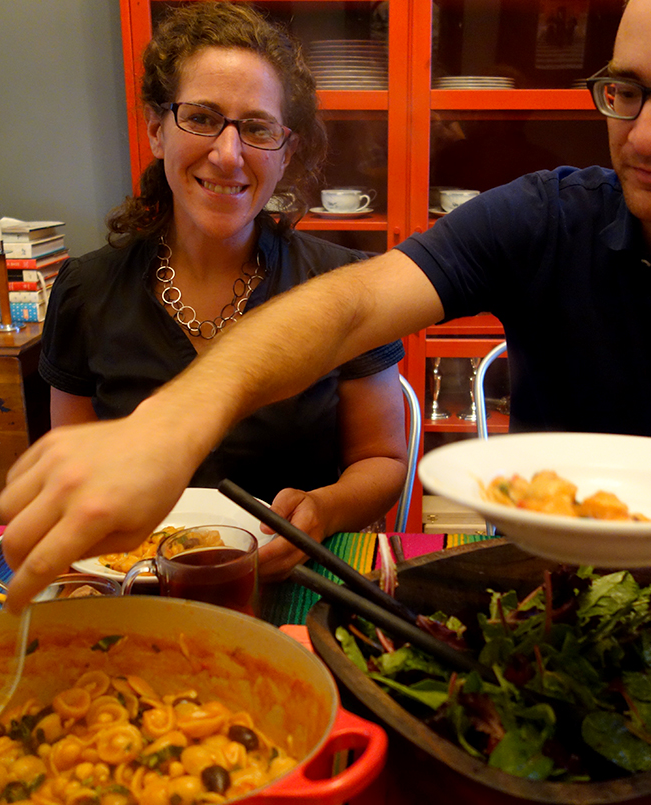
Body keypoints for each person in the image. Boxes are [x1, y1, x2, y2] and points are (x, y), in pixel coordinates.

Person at [0, 0, 651, 612]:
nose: (640, 135)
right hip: (537, 592)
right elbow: (352, 304)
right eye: (623, 91)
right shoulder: (541, 216)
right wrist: (176, 419)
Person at [36, 2, 409, 580]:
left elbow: (381, 460)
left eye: (257, 128)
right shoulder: (86, 289)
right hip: (136, 582)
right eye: (203, 117)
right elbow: (73, 469)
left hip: (294, 576)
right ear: (157, 129)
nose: (228, 154)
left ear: (285, 153)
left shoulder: (345, 287)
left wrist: (322, 510)